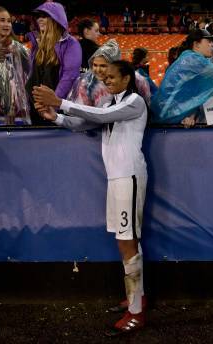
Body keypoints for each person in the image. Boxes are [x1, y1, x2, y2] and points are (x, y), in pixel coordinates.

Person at [32, 60, 149, 336]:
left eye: (111, 77)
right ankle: (137, 297)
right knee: (128, 239)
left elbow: (98, 117)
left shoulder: (135, 101)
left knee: (127, 241)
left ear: (127, 78)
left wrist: (60, 101)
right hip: (118, 178)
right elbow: (84, 123)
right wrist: (56, 116)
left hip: (128, 177)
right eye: (104, 77)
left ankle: (137, 312)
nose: (106, 80)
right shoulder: (110, 105)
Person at [25, 0, 81, 124]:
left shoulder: (71, 44)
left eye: (44, 16)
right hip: (36, 109)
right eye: (38, 16)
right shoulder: (37, 45)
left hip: (56, 111)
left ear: (57, 18)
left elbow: (69, 77)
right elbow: (32, 77)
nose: (39, 19)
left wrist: (53, 104)